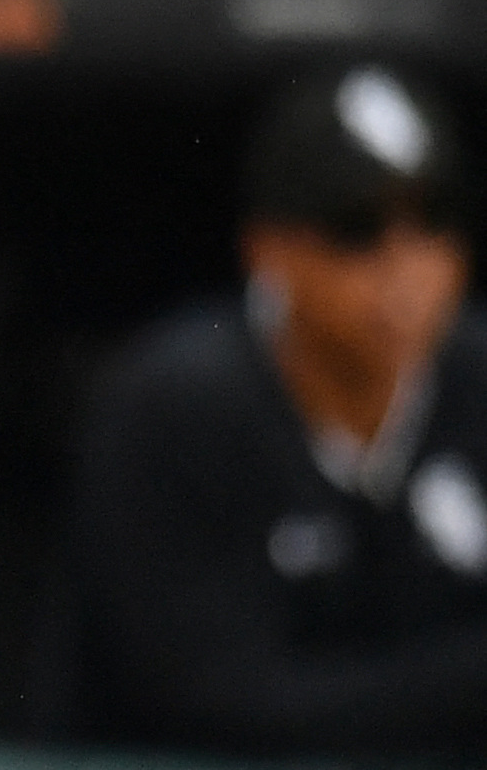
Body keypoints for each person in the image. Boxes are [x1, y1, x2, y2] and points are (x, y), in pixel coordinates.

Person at [49, 63, 487, 756]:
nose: (407, 268)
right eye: (356, 229)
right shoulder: (176, 406)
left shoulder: (474, 376)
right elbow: (219, 702)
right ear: (268, 248)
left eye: (433, 220)